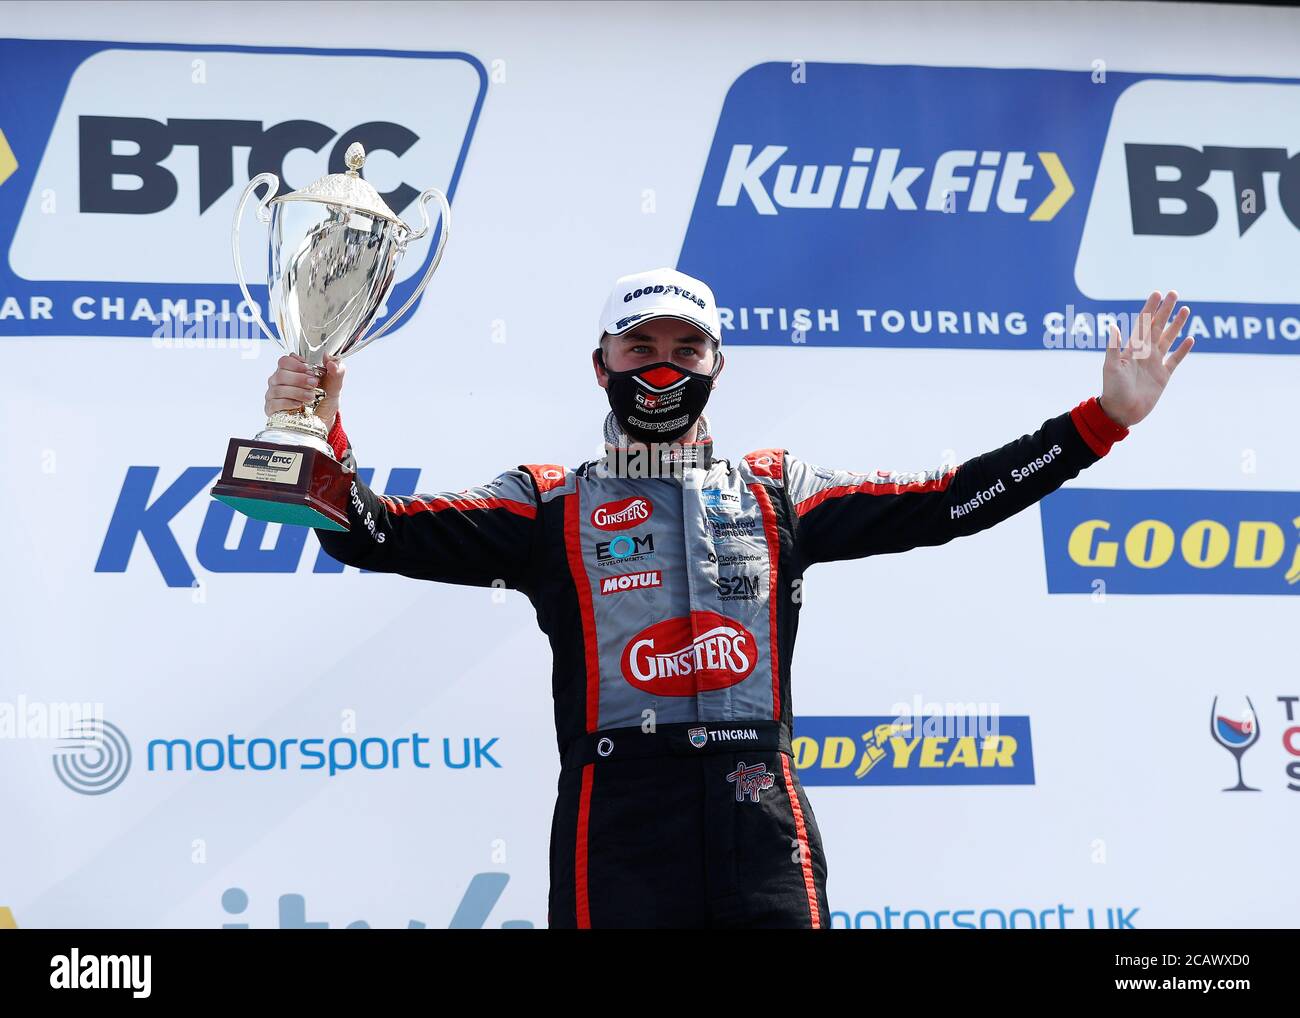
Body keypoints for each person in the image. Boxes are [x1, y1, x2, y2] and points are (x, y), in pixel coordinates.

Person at [263, 268, 1193, 929]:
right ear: (602, 365)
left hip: (759, 808)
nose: (662, 366)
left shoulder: (781, 489)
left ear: (718, 363)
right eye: (641, 346)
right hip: (615, 813)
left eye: (686, 346)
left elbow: (948, 503)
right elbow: (369, 533)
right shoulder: (546, 501)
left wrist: (1100, 422)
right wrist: (318, 421)